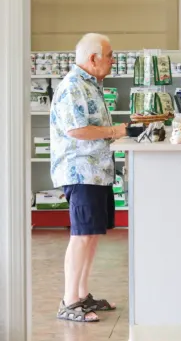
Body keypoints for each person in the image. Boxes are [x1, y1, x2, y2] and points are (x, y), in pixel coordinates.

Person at [50, 33, 128, 323]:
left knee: (91, 234)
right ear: (93, 58)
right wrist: (115, 131)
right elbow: (76, 130)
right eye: (109, 55)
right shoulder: (73, 86)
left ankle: (82, 295)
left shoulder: (91, 85)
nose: (112, 60)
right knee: (81, 236)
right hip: (80, 171)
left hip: (96, 172)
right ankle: (69, 301)